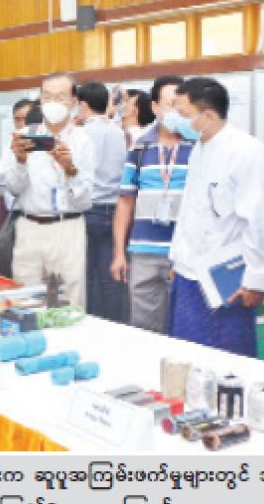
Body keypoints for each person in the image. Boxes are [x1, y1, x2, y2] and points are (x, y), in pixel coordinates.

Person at [167, 78, 264, 357]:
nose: (177, 120)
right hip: (189, 272)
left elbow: (255, 220)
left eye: (184, 114)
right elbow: (189, 210)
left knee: (227, 356)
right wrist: (177, 260)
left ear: (209, 116)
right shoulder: (199, 147)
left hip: (225, 277)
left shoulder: (246, 151)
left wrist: (256, 279)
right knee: (187, 354)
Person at [2, 72, 95, 305]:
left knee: (70, 299)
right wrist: (20, 161)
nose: (53, 103)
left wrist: (69, 168)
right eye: (47, 96)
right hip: (29, 227)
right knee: (26, 299)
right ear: (40, 100)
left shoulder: (82, 140)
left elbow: (85, 200)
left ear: (73, 102)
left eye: (61, 97)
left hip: (68, 227)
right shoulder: (24, 137)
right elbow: (13, 189)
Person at [112, 76, 191, 334]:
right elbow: (125, 202)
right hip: (143, 252)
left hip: (184, 255)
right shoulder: (140, 147)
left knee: (183, 329)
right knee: (143, 329)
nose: (177, 111)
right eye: (170, 104)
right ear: (155, 107)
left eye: (181, 105)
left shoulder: (197, 146)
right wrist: (119, 253)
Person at [76, 81, 130, 321]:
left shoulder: (80, 135)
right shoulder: (119, 131)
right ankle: (115, 323)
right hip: (115, 211)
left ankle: (87, 322)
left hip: (87, 211)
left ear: (84, 105)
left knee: (85, 277)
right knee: (111, 278)